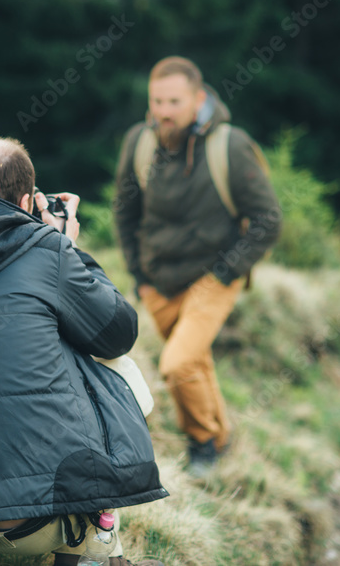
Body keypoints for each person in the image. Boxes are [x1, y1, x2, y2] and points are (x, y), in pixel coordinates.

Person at [0, 137, 167, 566]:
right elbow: (117, 332)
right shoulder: (45, 250)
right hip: (42, 521)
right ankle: (95, 546)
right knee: (119, 366)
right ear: (26, 199)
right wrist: (67, 246)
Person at [113, 56, 282, 477]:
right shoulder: (140, 142)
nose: (164, 111)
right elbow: (124, 214)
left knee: (178, 363)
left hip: (214, 275)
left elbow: (268, 219)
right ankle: (222, 436)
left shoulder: (230, 145)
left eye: (174, 101)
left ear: (198, 99)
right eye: (157, 101)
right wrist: (141, 279)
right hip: (159, 282)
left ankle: (203, 445)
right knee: (195, 362)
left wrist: (227, 272)